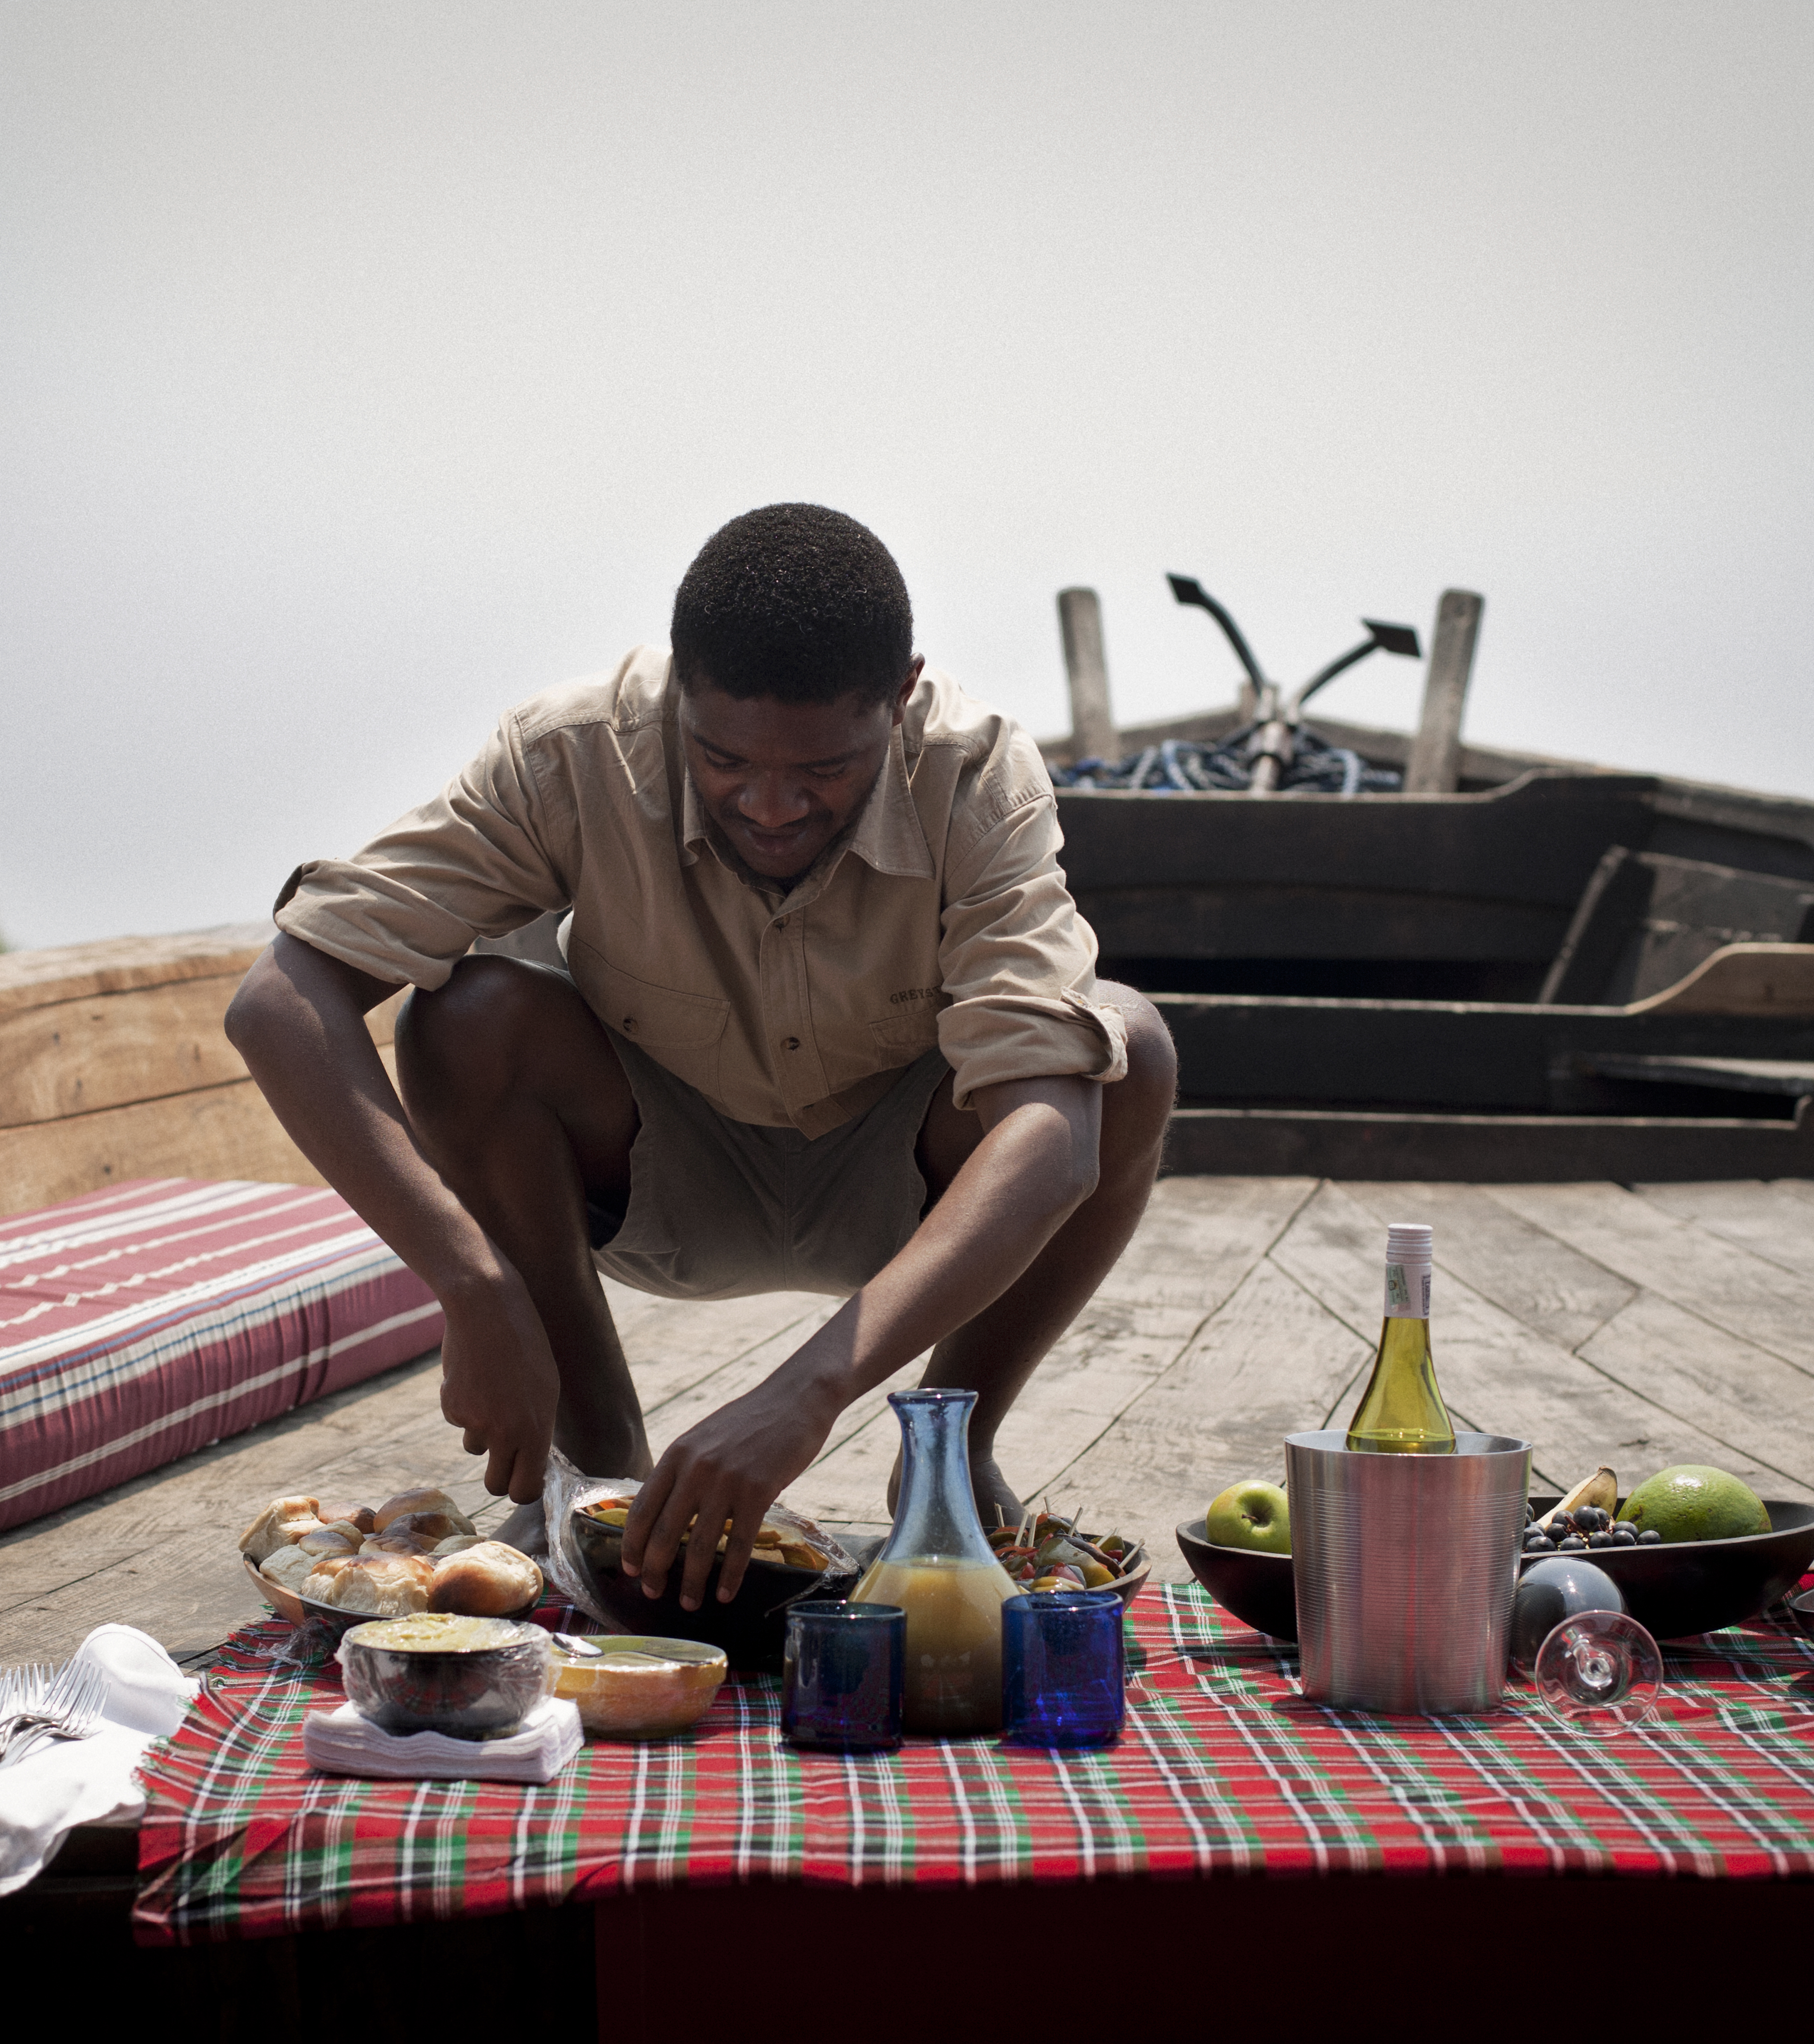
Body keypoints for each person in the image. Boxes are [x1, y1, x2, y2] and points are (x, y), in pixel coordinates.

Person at [225, 504, 1175, 1611]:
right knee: (464, 1015)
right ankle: (594, 1470)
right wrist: (467, 1278)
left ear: (903, 694)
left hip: (911, 1199)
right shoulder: (570, 752)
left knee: (1125, 1049)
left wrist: (809, 1393)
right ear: (680, 690)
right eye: (722, 758)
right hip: (650, 1183)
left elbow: (1053, 1148)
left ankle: (948, 1453)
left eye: (825, 768)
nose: (770, 805)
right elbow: (279, 1002)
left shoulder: (975, 775)